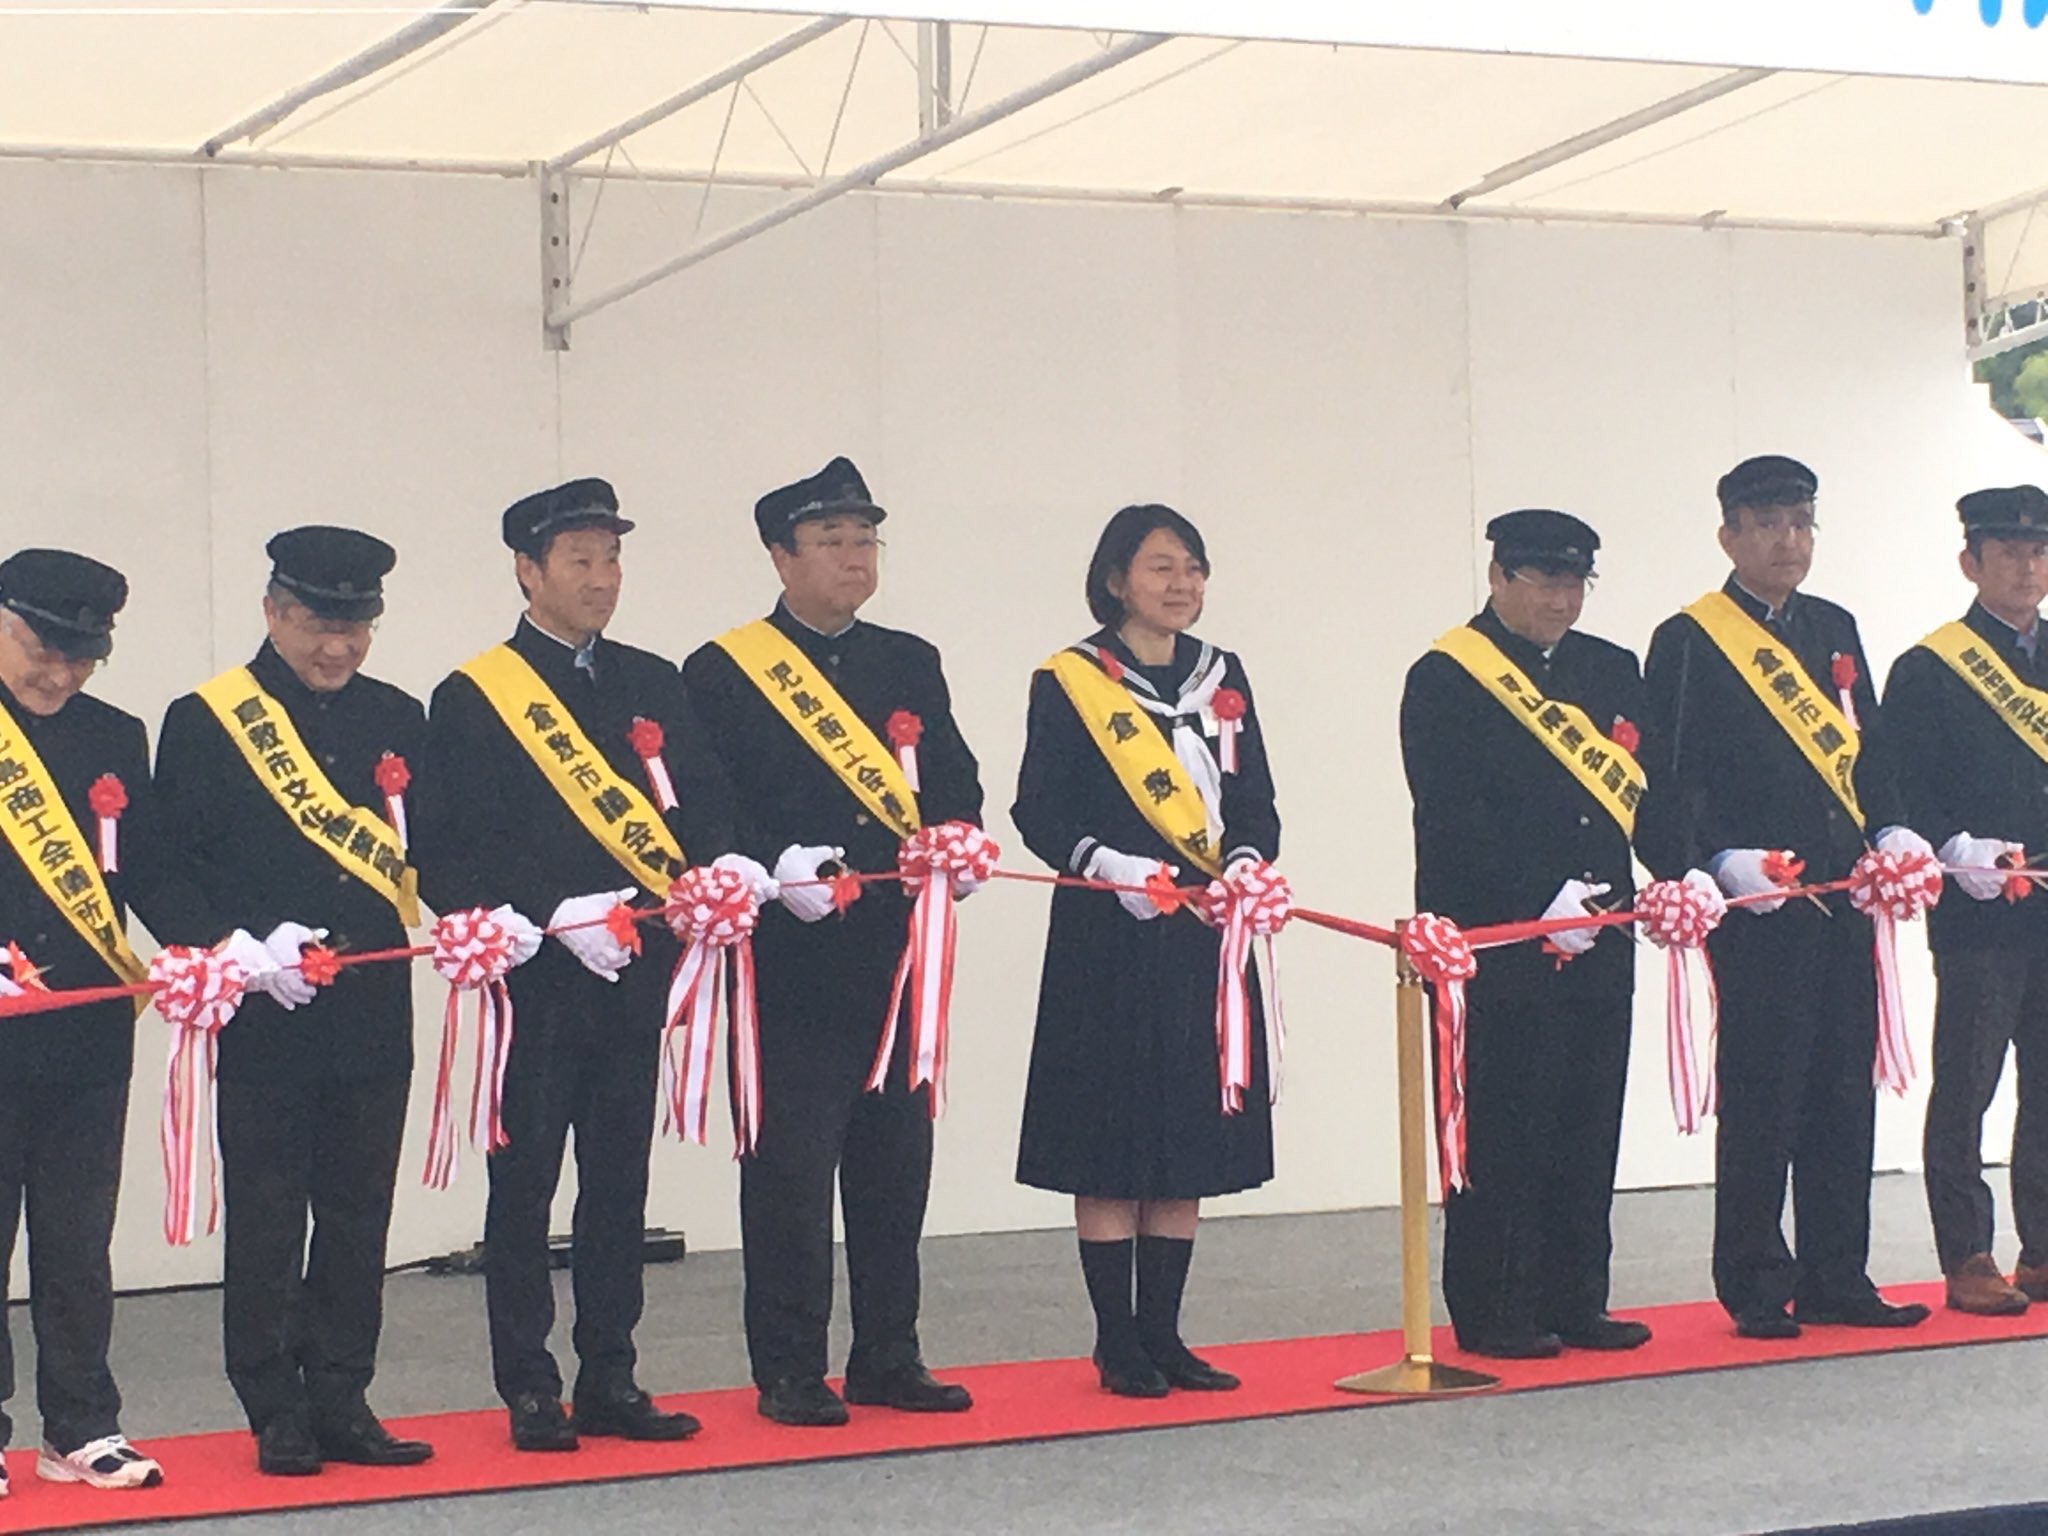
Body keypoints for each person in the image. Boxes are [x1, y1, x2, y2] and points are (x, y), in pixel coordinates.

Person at [413, 479, 747, 1451]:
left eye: (611, 559)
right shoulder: (476, 695)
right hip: (538, 981)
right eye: (579, 561)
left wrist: (719, 870)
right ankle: (528, 1385)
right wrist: (552, 912)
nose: (602, 579)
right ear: (528, 570)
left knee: (618, 1183)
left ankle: (612, 1374)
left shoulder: (653, 681)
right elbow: (451, 844)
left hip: (638, 974)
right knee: (523, 1189)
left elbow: (704, 802)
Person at [683, 456, 985, 1428]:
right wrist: (773, 866)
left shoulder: (910, 660)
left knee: (895, 1166)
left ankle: (889, 1353)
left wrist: (959, 841)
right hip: (788, 960)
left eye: (865, 539)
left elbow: (953, 779)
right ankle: (788, 1365)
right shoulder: (723, 672)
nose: (855, 558)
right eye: (830, 541)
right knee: (791, 1171)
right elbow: (704, 807)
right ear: (780, 557)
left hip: (893, 958)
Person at [154, 527, 433, 1475]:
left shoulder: (397, 716)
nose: (337, 647)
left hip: (372, 1007)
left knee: (359, 1212)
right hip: (265, 1009)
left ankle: (345, 1395)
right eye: (317, 623)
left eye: (356, 627)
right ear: (273, 612)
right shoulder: (207, 721)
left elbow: (437, 847)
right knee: (270, 1216)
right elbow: (166, 866)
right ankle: (273, 1404)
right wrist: (231, 946)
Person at [1638, 455, 1932, 1339]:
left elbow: (1870, 751)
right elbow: (1670, 773)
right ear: (1729, 535)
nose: (1787, 541)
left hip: (1843, 895)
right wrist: (1710, 861)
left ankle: (1839, 1273)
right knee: (1765, 1090)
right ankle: (1756, 1280)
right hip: (1756, 902)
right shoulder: (1690, 639)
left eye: (1801, 523)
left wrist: (1894, 829)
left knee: (1843, 1086)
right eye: (1766, 524)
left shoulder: (1834, 626)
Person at [1012, 503, 1280, 1397]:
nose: (1182, 584)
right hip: (1108, 933)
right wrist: (1106, 863)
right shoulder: (1071, 679)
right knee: (1109, 1135)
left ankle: (1164, 1332)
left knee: (1184, 1133)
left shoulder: (1221, 677)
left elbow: (1254, 798)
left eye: (1193, 568)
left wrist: (1245, 861)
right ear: (1116, 579)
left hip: (1202, 933)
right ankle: (1115, 1339)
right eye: (1162, 567)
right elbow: (1038, 808)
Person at [0, 549, 245, 1493]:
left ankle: (82, 1425)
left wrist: (217, 946)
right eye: (41, 650)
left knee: (76, 1240)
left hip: (87, 1031)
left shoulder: (114, 734)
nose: (59, 675)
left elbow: (149, 871)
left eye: (82, 657)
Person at [1397, 509, 1650, 1358]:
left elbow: (1642, 792)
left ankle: (1578, 1297)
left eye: (1575, 582)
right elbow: (1450, 815)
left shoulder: (1610, 669)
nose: (1560, 599)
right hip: (1498, 940)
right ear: (1499, 576)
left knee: (1588, 1114)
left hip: (1602, 929)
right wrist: (1537, 901)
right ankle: (1495, 1304)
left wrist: (1668, 876)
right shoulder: (1447, 676)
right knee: (1505, 1123)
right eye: (1543, 580)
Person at [1865, 486, 2048, 1314]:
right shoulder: (1931, 668)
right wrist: (1950, 846)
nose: (2026, 567)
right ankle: (1967, 1252)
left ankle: (2043, 1249)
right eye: (2007, 552)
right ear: (1971, 562)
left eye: (2038, 551)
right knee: (1969, 1084)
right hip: (1979, 912)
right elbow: (1895, 784)